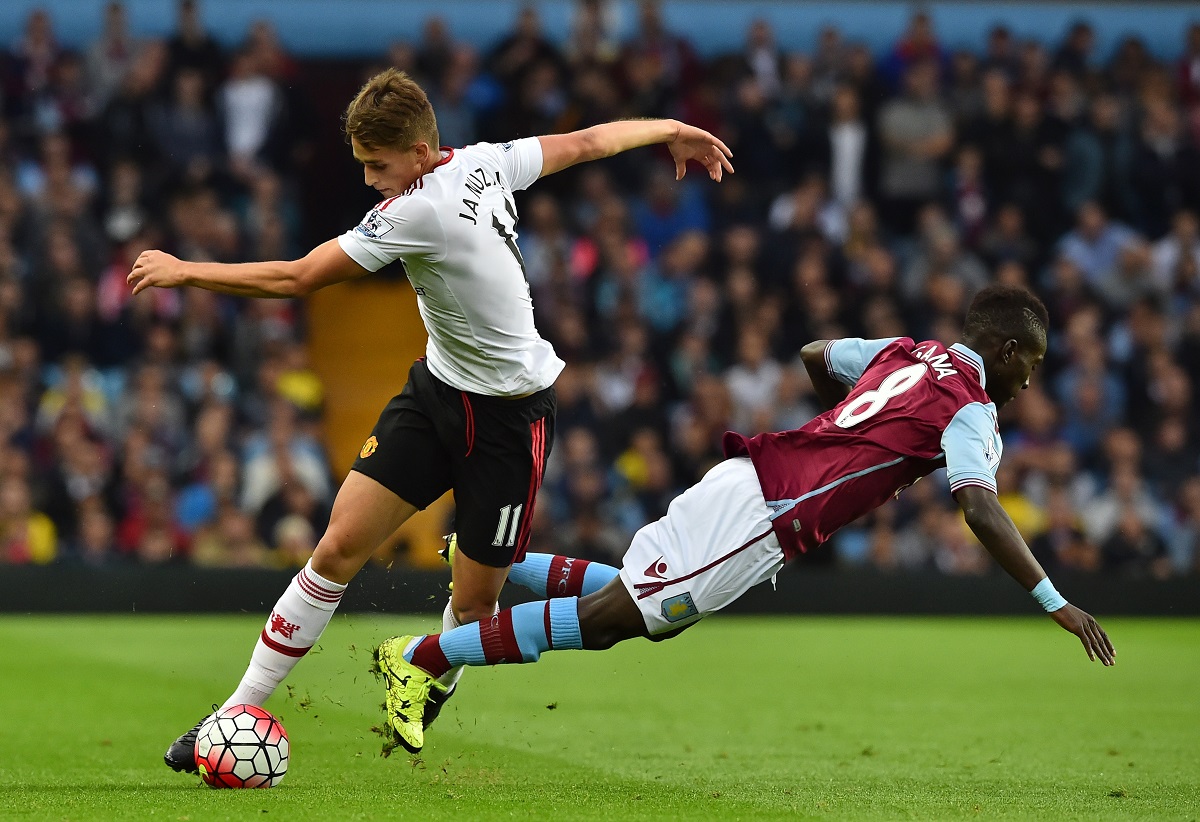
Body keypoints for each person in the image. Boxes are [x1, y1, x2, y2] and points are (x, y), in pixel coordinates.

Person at [128, 67, 734, 773]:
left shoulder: (419, 210)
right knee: (334, 551)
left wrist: (185, 270)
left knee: (475, 608)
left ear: (419, 151)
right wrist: (669, 130)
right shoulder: (486, 160)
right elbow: (588, 141)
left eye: (376, 166)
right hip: (438, 395)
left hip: (511, 420)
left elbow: (298, 278)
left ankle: (425, 678)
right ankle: (234, 710)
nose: (368, 181)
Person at [373, 284, 1116, 754]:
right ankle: (425, 659)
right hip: (767, 514)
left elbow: (816, 351)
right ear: (1010, 350)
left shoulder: (907, 352)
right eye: (1034, 365)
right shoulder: (973, 408)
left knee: (650, 603)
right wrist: (1055, 600)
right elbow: (979, 506)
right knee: (617, 622)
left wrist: (837, 435)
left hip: (752, 476)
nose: (1028, 383)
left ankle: (497, 565)